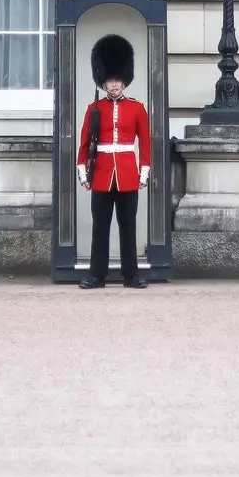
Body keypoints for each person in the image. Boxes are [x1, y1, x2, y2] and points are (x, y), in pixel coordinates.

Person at [77, 34, 151, 289]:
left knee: (128, 227)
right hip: (101, 174)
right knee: (101, 228)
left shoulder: (137, 108)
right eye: (110, 79)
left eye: (118, 79)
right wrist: (83, 173)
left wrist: (144, 173)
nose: (114, 84)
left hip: (128, 173)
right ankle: (97, 275)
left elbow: (146, 143)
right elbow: (85, 144)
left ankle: (131, 275)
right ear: (103, 80)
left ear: (125, 80)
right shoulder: (93, 108)